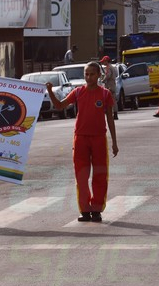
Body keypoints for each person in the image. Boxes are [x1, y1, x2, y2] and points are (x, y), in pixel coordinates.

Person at [47, 61, 119, 223]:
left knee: (100, 175)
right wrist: (50, 92)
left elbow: (110, 119)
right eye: (86, 74)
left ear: (99, 75)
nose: (89, 77)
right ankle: (85, 210)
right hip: (80, 139)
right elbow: (59, 106)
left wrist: (114, 142)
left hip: (99, 139)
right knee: (81, 176)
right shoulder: (78, 92)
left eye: (92, 74)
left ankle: (96, 210)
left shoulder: (105, 94)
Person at [99, 55, 119, 120]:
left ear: (106, 61)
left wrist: (103, 80)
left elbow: (108, 75)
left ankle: (112, 113)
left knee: (110, 100)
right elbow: (116, 74)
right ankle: (115, 113)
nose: (103, 63)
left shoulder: (108, 67)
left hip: (109, 85)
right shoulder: (113, 67)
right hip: (113, 84)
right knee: (113, 100)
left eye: (103, 61)